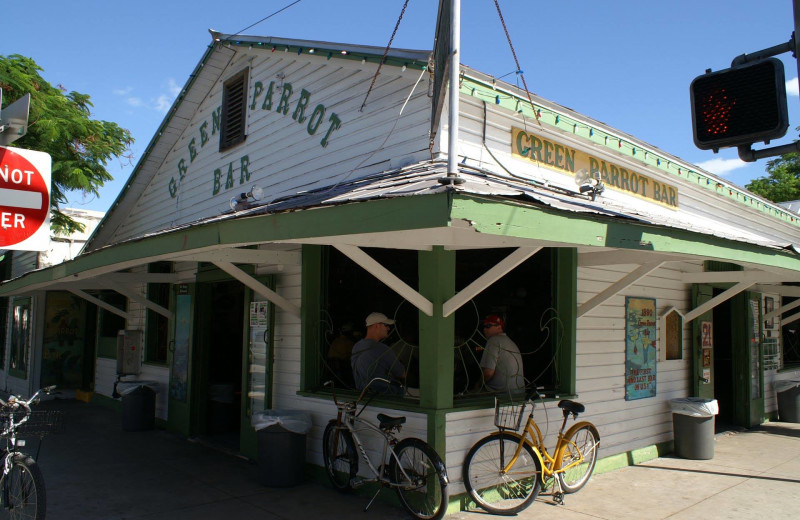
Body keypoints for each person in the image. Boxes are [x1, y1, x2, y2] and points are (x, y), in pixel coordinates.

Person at [351, 312, 406, 395]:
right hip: (386, 397)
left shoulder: (356, 346)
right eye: (386, 325)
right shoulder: (382, 349)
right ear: (377, 325)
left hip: (363, 395)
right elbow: (403, 374)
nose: (388, 328)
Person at [478, 314, 525, 394]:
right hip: (519, 393)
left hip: (503, 395)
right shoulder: (510, 342)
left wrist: (477, 385)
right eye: (484, 326)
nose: (484, 329)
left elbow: (488, 373)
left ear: (499, 327)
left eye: (488, 326)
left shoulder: (493, 340)